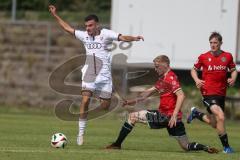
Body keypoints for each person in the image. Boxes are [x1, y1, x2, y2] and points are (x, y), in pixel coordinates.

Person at [49, 5, 144, 145]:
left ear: (97, 25)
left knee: (105, 106)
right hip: (89, 74)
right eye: (86, 26)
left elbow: (122, 37)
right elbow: (67, 28)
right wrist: (55, 14)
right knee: (85, 101)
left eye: (90, 25)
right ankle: (81, 133)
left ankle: (99, 98)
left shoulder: (106, 34)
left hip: (105, 76)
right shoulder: (84, 36)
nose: (87, 28)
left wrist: (134, 38)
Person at [106, 55, 219, 153]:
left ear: (165, 65)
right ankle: (205, 147)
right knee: (186, 146)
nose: (155, 69)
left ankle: (117, 144)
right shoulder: (163, 79)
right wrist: (132, 101)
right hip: (175, 119)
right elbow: (148, 93)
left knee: (132, 117)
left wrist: (174, 115)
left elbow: (181, 95)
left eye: (157, 66)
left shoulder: (170, 78)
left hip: (166, 116)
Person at [187, 32, 237, 153]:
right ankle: (226, 148)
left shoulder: (228, 56)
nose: (213, 45)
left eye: (215, 42)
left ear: (220, 43)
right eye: (211, 43)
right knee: (221, 116)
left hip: (221, 94)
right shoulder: (203, 57)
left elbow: (234, 70)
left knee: (216, 124)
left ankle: (196, 114)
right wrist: (197, 80)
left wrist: (233, 78)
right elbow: (193, 70)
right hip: (208, 93)